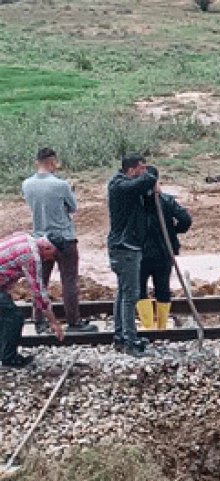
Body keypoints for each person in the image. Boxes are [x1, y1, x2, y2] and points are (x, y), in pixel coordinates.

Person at [21, 147, 95, 334]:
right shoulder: (61, 185)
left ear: (37, 162)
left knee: (41, 281)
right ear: (53, 162)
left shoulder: (26, 184)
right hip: (64, 238)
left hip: (40, 239)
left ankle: (39, 321)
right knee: (69, 281)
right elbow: (72, 208)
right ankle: (74, 321)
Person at [106, 154, 157, 357]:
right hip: (125, 247)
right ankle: (129, 340)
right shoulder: (119, 186)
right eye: (141, 168)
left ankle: (120, 335)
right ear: (133, 169)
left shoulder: (125, 185)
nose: (144, 172)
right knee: (130, 295)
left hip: (124, 246)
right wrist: (152, 174)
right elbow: (148, 178)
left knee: (123, 292)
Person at [137, 166, 192, 331]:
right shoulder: (166, 200)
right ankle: (161, 326)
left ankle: (148, 326)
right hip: (163, 252)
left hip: (141, 254)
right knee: (163, 288)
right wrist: (172, 231)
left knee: (140, 289)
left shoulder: (136, 202)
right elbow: (185, 220)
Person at [0, 232, 65, 368]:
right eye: (53, 256)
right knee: (14, 317)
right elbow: (39, 292)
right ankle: (9, 359)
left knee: (5, 314)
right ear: (47, 248)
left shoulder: (26, 238)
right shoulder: (32, 257)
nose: (50, 260)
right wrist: (53, 322)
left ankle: (5, 352)